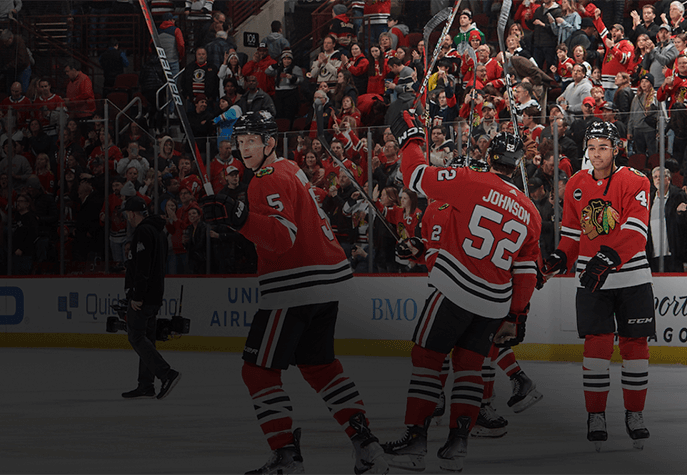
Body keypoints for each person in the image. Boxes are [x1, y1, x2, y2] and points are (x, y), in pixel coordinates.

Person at [382, 113, 541, 471]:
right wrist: (516, 315)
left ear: (488, 157)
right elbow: (527, 271)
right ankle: (457, 446)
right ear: (517, 168)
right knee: (469, 367)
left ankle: (416, 440)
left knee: (427, 358)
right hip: (495, 301)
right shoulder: (531, 212)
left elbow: (415, 176)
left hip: (455, 287)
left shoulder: (473, 180)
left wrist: (410, 140)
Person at [231, 113, 388, 475]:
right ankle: (367, 447)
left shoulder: (265, 179)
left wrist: (239, 219)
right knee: (321, 367)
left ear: (269, 142)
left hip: (293, 284)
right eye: (240, 143)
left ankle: (285, 456)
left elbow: (280, 238)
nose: (243, 149)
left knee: (257, 372)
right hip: (326, 279)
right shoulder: (291, 167)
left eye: (250, 141)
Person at [544, 121, 655, 451]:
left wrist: (605, 259)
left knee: (635, 348)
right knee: (596, 349)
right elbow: (572, 237)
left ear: (616, 148)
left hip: (631, 277)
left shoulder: (636, 181)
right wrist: (557, 259)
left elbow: (636, 231)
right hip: (592, 281)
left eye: (603, 147)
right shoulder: (576, 184)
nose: (596, 154)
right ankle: (596, 415)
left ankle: (635, 414)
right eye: (591, 147)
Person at [117, 196, 181, 401]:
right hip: (155, 293)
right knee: (148, 338)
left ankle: (165, 373)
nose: (126, 217)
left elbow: (143, 266)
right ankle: (145, 385)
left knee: (135, 336)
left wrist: (136, 295)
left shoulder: (143, 231)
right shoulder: (157, 231)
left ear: (132, 213)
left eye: (127, 213)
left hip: (144, 296)